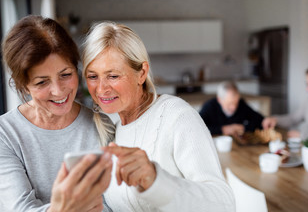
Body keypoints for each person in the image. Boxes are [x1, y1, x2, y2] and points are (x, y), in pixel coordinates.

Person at [82, 21, 235, 212]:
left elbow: (224, 204)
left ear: (142, 73)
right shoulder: (110, 125)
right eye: (93, 76)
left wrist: (156, 179)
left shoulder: (176, 116)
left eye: (113, 76)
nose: (101, 89)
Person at [0, 15, 114, 212]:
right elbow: (20, 209)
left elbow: (115, 203)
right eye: (42, 82)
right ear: (24, 85)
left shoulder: (103, 125)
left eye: (66, 75)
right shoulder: (0, 134)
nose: (59, 91)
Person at [199, 81, 264, 136]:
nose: (233, 107)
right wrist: (222, 130)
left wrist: (243, 128)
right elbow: (197, 128)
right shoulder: (209, 107)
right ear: (219, 100)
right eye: (229, 104)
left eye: (236, 103)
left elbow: (259, 121)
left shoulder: (241, 105)